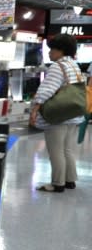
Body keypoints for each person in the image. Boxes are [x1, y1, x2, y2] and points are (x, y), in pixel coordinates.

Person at [28, 33, 85, 192]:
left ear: (61, 51)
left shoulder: (57, 67)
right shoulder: (74, 65)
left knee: (56, 150)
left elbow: (47, 90)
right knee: (67, 149)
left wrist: (34, 109)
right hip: (73, 113)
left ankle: (57, 183)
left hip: (58, 115)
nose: (49, 52)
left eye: (53, 49)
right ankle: (70, 180)